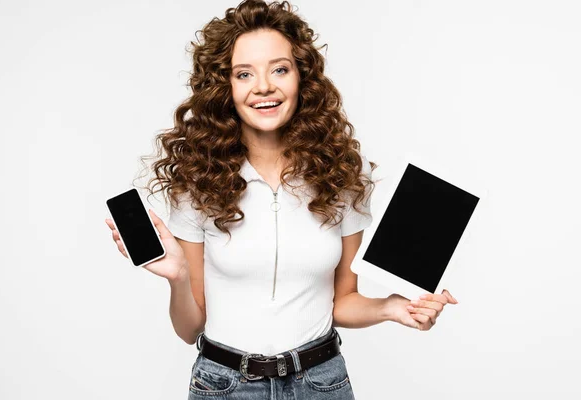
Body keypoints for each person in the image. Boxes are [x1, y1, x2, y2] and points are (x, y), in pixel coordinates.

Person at [105, 0, 458, 398]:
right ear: (226, 87)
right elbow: (189, 328)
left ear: (301, 78)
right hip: (225, 386)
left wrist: (391, 307)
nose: (264, 87)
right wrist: (178, 278)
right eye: (244, 74)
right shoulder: (198, 182)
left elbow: (342, 301)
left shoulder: (341, 173)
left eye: (279, 69)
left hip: (321, 383)